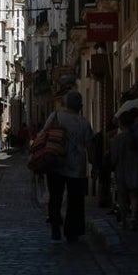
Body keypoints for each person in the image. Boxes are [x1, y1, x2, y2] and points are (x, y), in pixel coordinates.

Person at [41, 91, 95, 244]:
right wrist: (94, 164)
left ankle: (55, 229)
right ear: (81, 106)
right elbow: (89, 145)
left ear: (64, 104)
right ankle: (72, 232)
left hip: (55, 162)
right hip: (76, 167)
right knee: (75, 201)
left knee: (55, 198)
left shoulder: (55, 116)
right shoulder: (83, 122)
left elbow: (44, 134)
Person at [110, 107, 138, 229]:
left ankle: (124, 219)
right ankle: (133, 218)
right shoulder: (136, 137)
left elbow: (114, 157)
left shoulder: (117, 139)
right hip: (134, 169)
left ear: (121, 124)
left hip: (121, 170)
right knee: (133, 195)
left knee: (122, 195)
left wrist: (112, 165)